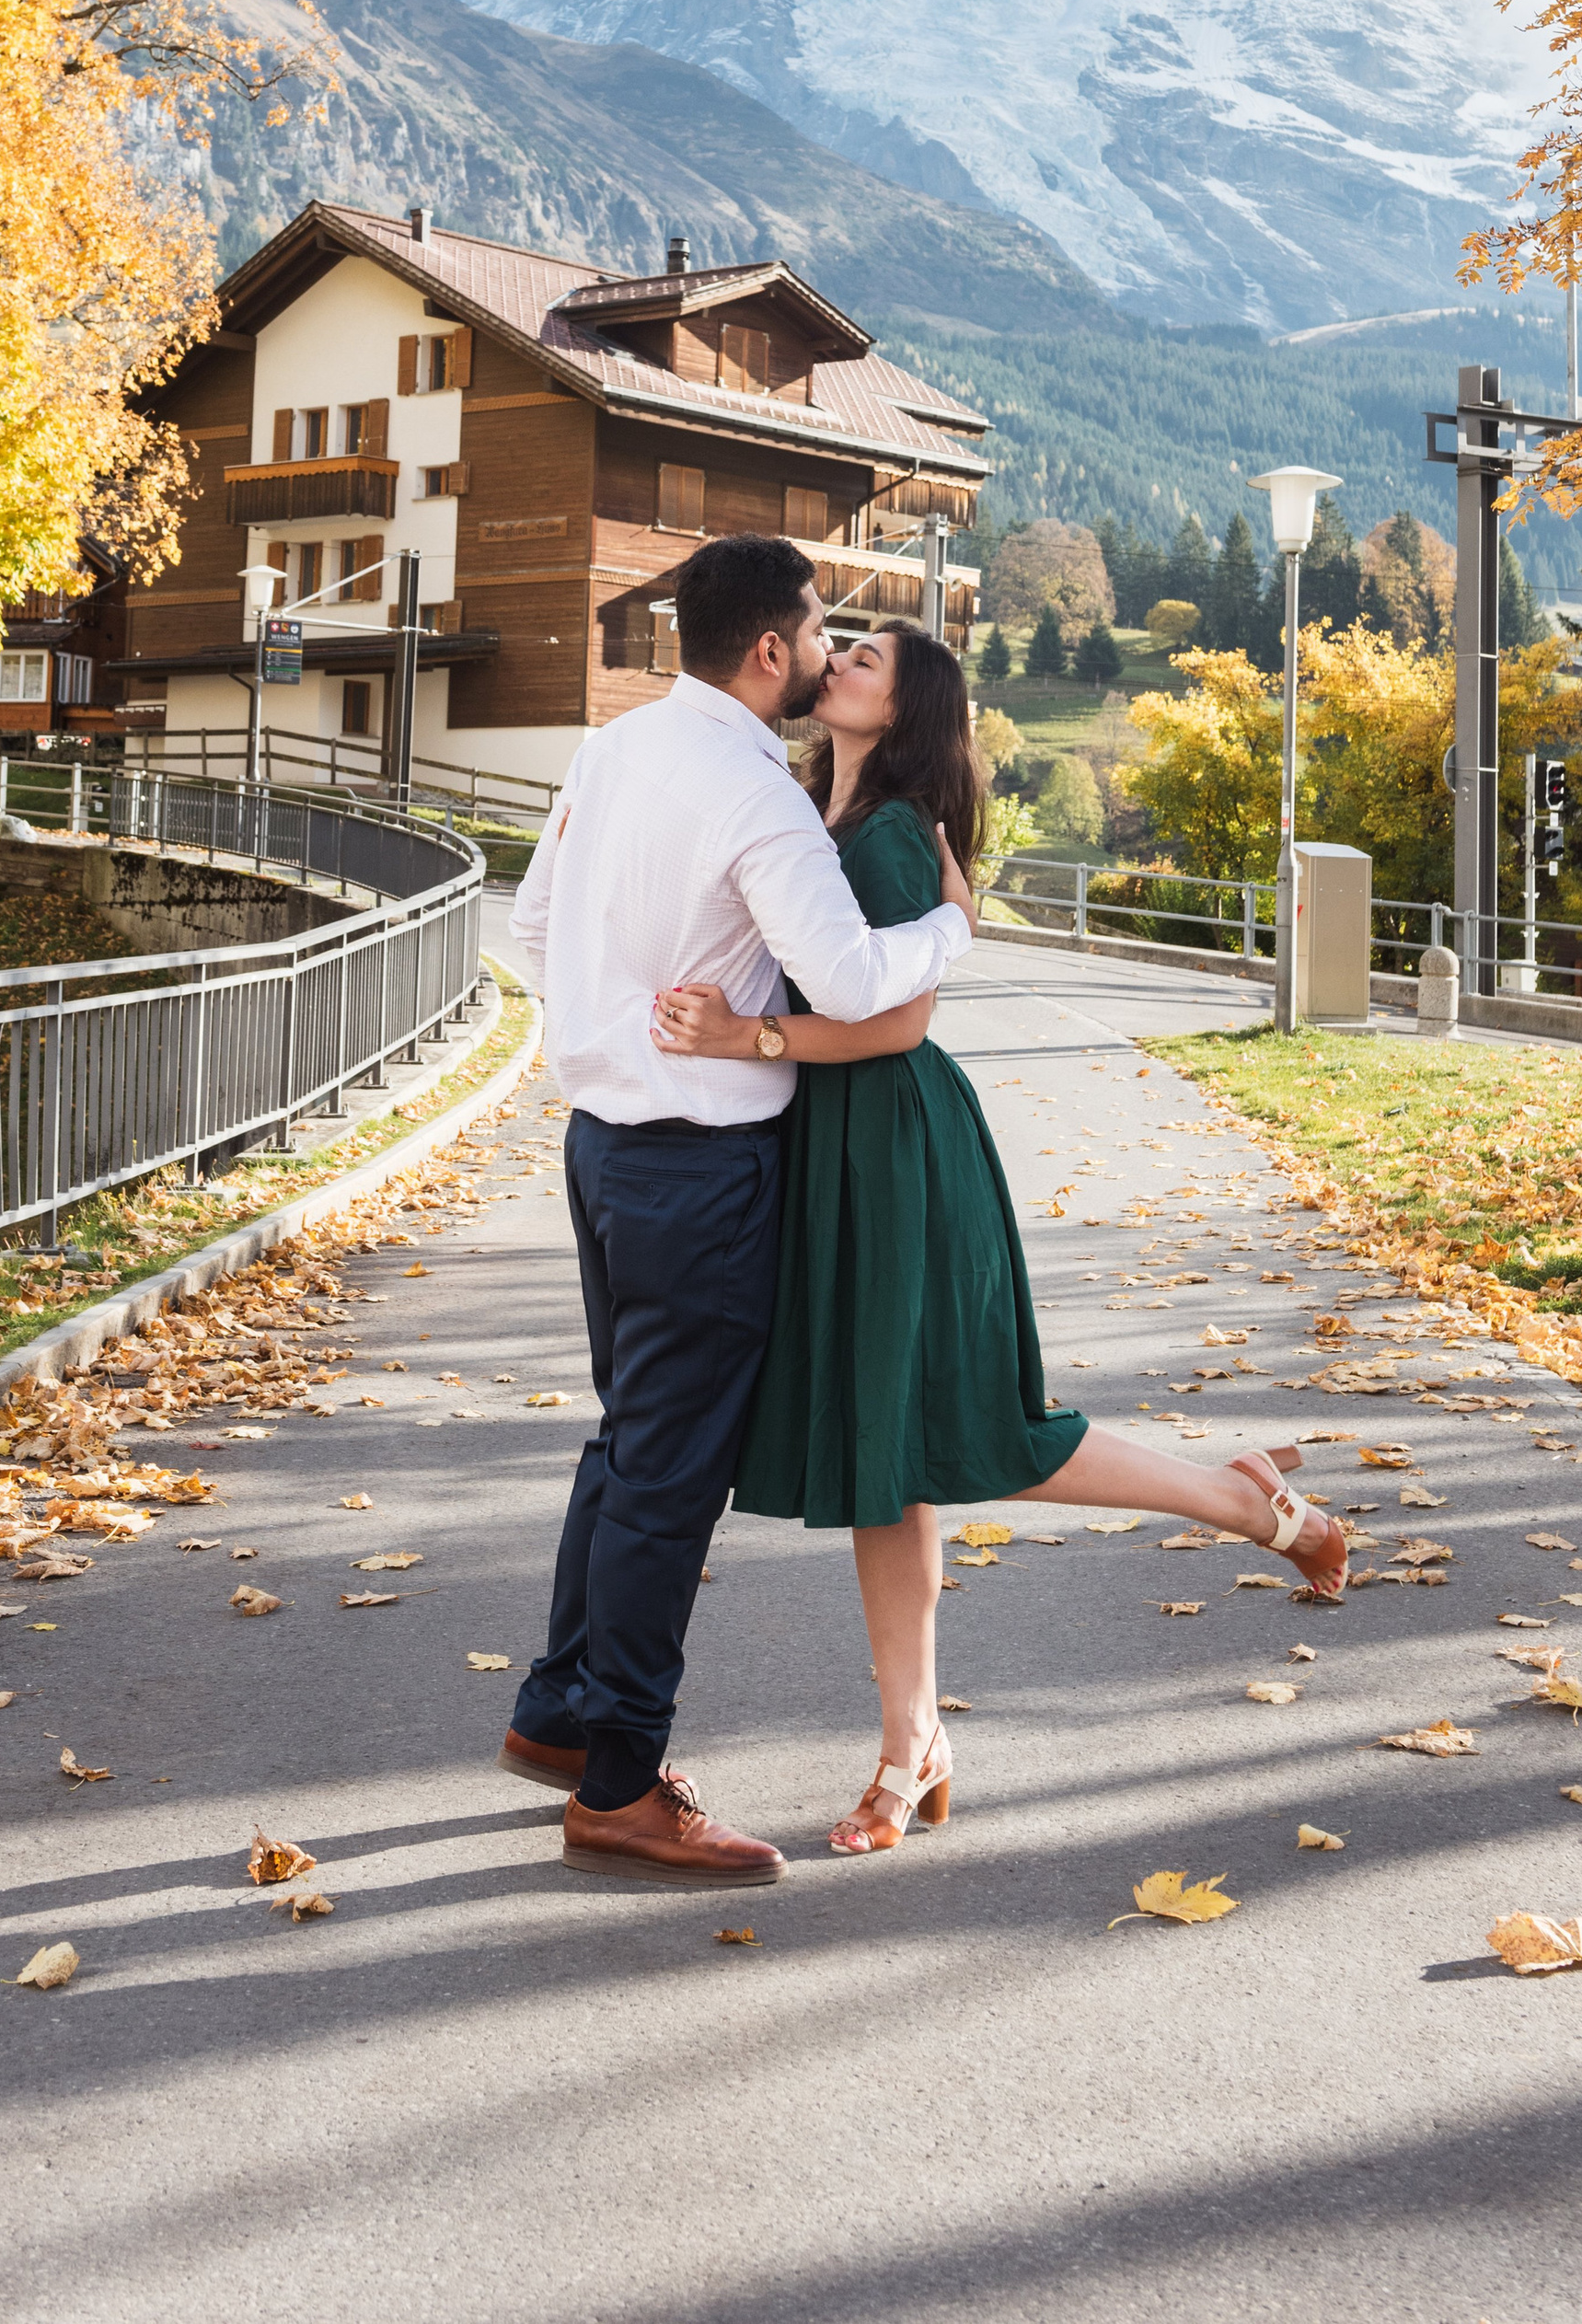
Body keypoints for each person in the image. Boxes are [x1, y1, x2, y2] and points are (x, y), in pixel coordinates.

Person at [652, 621, 1349, 1857]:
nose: (844, 661)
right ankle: (910, 1746)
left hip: (897, 1150)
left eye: (867, 658)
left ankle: (1250, 1507)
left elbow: (898, 1022)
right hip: (842, 1155)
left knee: (980, 1430)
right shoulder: (831, 813)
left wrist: (741, 1040)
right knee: (892, 1454)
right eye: (843, 646)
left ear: (907, 708)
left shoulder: (889, 830)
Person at [504, 535, 980, 1883]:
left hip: (600, 1145)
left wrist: (614, 1028)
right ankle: (621, 1779)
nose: (831, 652)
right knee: (667, 1477)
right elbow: (844, 979)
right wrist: (951, 926)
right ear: (769, 650)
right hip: (701, 1170)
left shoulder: (612, 749)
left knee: (624, 1446)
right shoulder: (758, 797)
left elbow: (534, 931)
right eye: (822, 629)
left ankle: (559, 1709)